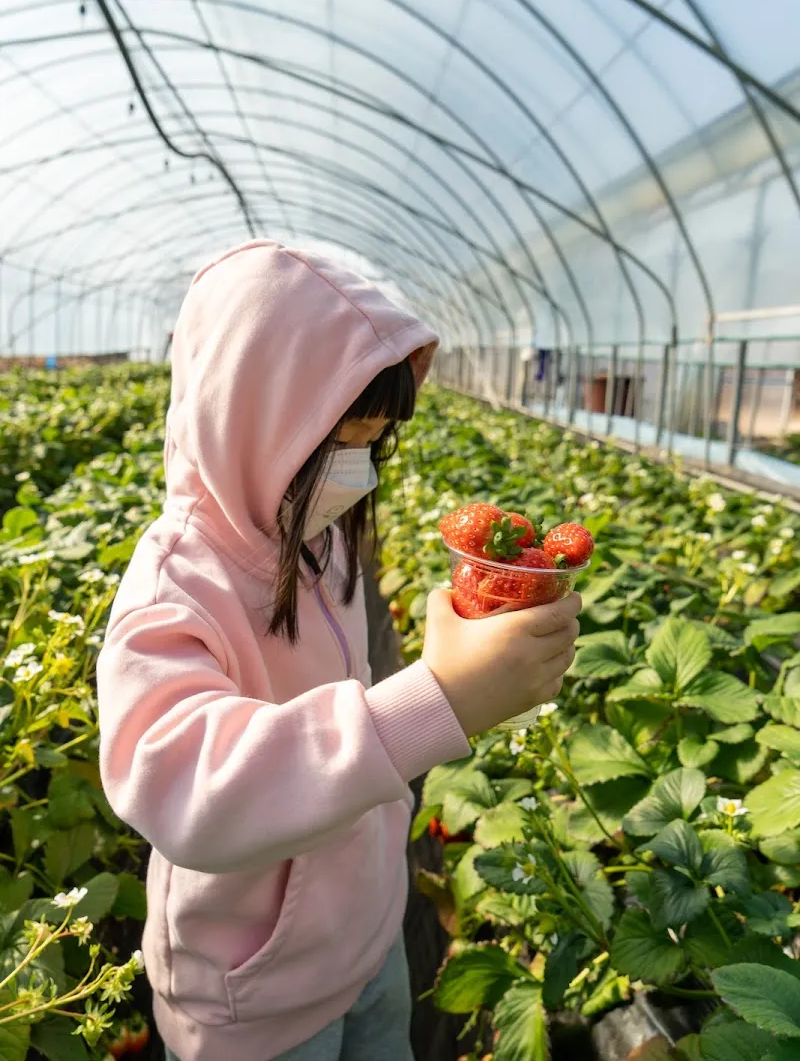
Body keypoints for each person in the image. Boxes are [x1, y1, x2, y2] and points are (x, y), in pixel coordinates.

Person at [97, 240, 581, 1061]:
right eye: (341, 439)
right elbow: (176, 781)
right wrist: (438, 703)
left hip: (368, 943)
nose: (358, 467)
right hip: (253, 1000)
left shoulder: (323, 541)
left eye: (376, 439)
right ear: (251, 415)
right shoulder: (176, 584)